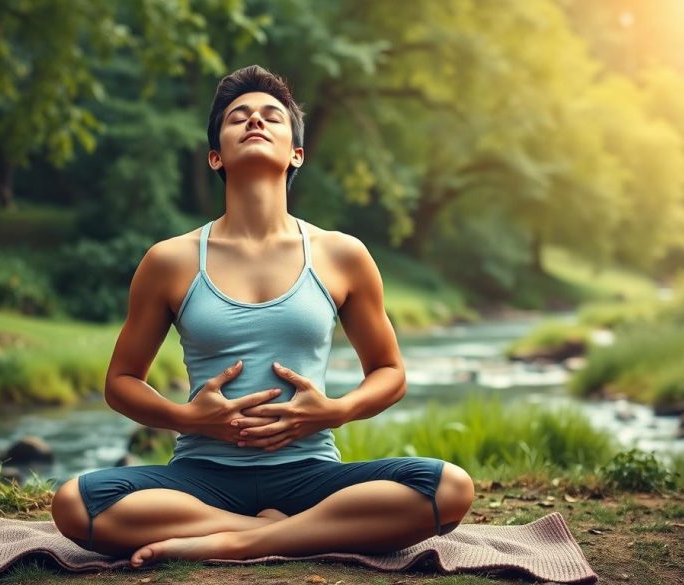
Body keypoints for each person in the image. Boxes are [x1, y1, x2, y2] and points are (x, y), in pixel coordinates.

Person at [50, 64, 475, 568]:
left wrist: (334, 411)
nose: (255, 120)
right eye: (238, 117)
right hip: (201, 478)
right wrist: (188, 418)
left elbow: (390, 373)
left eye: (272, 116)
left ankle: (235, 542)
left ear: (296, 153)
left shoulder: (342, 255)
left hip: (311, 475)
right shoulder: (170, 260)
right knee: (75, 504)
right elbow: (121, 382)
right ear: (215, 156)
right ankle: (280, 533)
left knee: (449, 488)